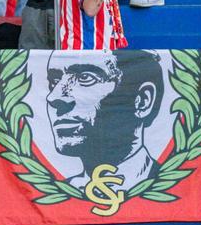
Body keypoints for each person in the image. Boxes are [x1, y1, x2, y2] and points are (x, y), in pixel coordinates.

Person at [44, 51, 163, 191]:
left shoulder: (173, 186)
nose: (53, 97)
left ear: (142, 101)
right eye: (55, 81)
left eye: (85, 77)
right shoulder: (55, 194)